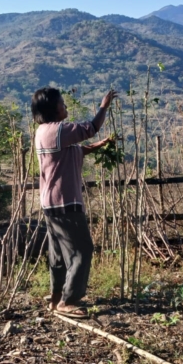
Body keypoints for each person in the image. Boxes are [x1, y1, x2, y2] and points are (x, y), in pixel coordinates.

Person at [32, 87, 118, 319]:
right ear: (53, 109)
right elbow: (91, 127)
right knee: (82, 250)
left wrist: (99, 146)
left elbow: (75, 151)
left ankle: (55, 297)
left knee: (58, 254)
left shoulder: (44, 132)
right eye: (62, 104)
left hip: (51, 202)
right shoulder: (58, 131)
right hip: (64, 201)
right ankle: (68, 301)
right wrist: (104, 106)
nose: (66, 107)